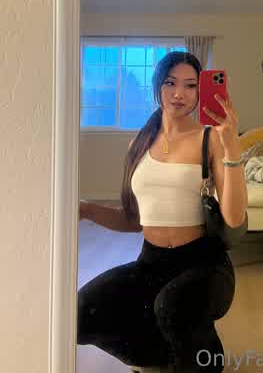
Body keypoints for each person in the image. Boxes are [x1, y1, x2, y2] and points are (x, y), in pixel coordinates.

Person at [77, 51, 248, 373]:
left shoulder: (210, 139)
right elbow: (132, 220)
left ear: (200, 91)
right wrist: (86, 210)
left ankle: (205, 360)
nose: (179, 93)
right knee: (81, 311)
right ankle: (160, 358)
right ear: (157, 85)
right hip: (151, 262)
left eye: (190, 85)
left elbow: (234, 218)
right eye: (170, 83)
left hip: (204, 264)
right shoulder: (139, 144)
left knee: (171, 307)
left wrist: (232, 149)